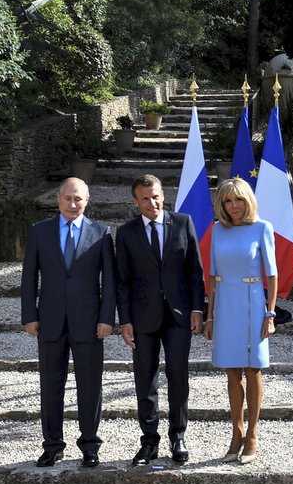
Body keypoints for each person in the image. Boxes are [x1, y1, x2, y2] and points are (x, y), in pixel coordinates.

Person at [20, 177, 116, 469]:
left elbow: (109, 282)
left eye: (79, 199)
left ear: (87, 200)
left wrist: (106, 318)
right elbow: (28, 278)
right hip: (49, 322)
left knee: (90, 386)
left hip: (89, 323)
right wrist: (30, 315)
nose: (73, 204)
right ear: (57, 199)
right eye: (68, 198)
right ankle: (52, 446)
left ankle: (90, 445)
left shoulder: (102, 233)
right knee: (50, 387)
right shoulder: (40, 232)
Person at [116, 174, 205, 466]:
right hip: (143, 318)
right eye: (145, 198)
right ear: (135, 202)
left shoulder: (182, 222)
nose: (152, 202)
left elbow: (195, 271)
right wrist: (125, 320)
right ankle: (149, 440)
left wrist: (197, 309)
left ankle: (177, 435)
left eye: (155, 196)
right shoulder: (126, 233)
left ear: (163, 195)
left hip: (179, 315)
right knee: (145, 379)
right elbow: (123, 282)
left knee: (178, 375)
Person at [203, 177, 277, 465]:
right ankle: (237, 431)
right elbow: (211, 275)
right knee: (231, 371)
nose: (233, 206)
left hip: (252, 303)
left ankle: (254, 434)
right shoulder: (217, 229)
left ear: (248, 201)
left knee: (253, 368)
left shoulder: (262, 228)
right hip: (225, 304)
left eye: (238, 200)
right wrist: (209, 316)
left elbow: (271, 274)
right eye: (227, 201)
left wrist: (270, 314)